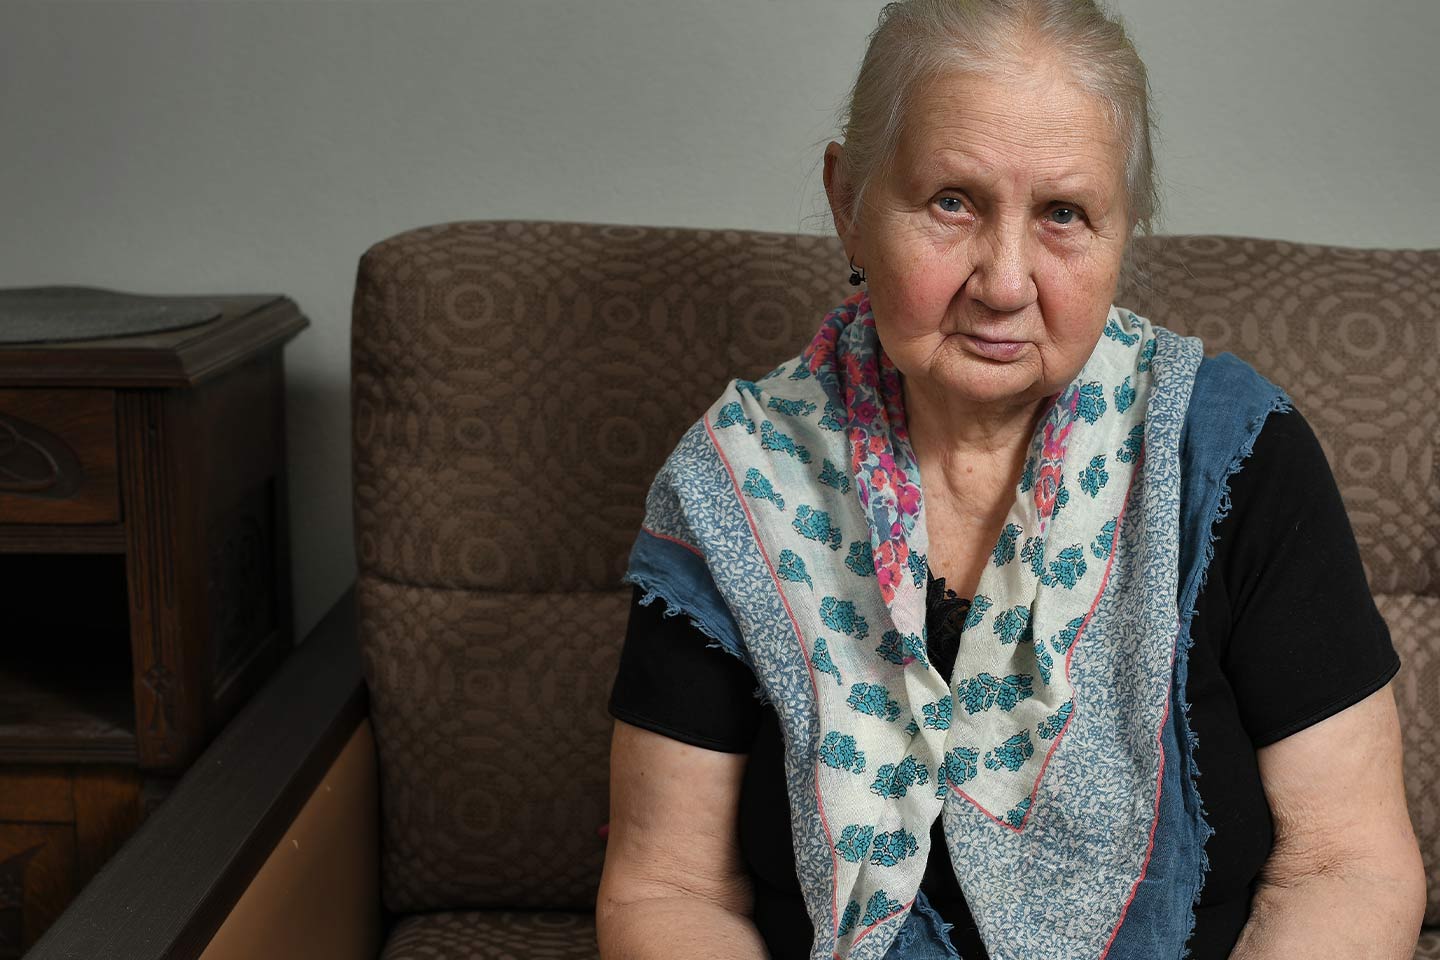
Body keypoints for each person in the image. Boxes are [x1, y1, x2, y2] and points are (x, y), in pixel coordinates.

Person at [595, 1, 1426, 957]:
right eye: (952, 200)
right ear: (848, 203)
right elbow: (669, 890)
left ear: (1123, 233)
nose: (1004, 280)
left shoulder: (1236, 455)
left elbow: (1347, 864)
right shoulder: (733, 483)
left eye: (1064, 215)